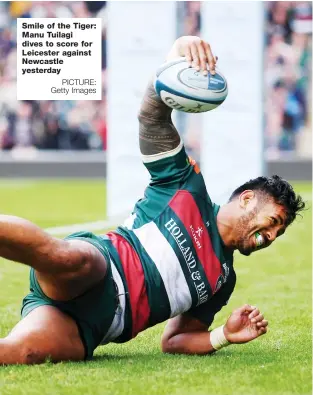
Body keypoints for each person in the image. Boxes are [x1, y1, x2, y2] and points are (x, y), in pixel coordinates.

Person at [0, 36, 305, 364]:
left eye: (279, 233)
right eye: (273, 223)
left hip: (93, 325)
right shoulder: (187, 186)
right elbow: (153, 119)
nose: (271, 237)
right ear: (246, 200)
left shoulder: (223, 280)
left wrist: (223, 336)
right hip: (100, 268)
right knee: (72, 261)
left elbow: (174, 340)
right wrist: (181, 47)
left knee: (21, 352)